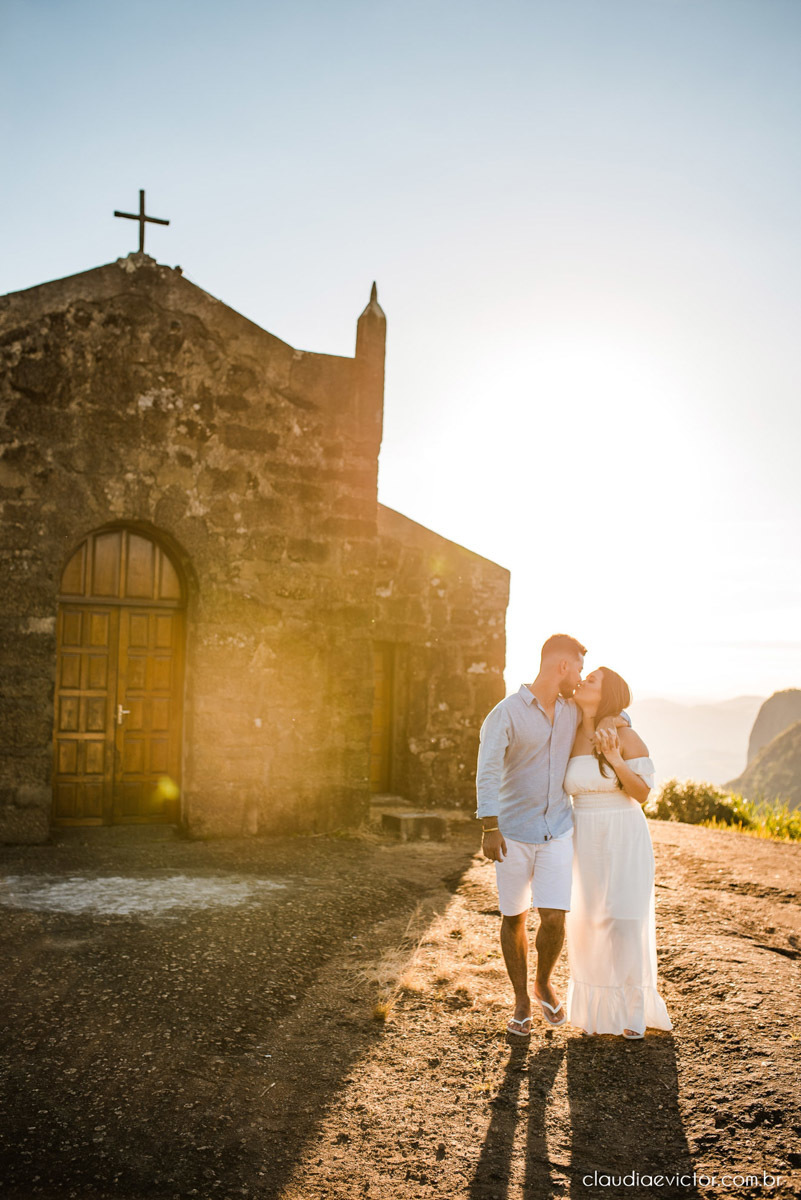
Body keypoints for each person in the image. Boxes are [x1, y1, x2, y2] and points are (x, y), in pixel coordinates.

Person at [475, 634, 625, 1037]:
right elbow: (487, 772)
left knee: (555, 917)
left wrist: (615, 722)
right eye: (577, 668)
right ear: (562, 666)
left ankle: (543, 983)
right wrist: (490, 826)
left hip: (557, 830)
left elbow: (608, 713)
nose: (579, 677)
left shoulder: (573, 710)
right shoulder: (504, 714)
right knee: (514, 916)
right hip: (512, 833)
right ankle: (521, 1000)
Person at [564, 666, 672, 1038]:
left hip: (623, 830)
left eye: (591, 679)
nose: (582, 681)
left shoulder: (625, 734)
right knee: (587, 919)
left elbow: (642, 793)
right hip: (583, 832)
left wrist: (615, 758)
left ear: (607, 693)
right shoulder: (568, 728)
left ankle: (632, 1012)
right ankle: (596, 1014)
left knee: (624, 919)